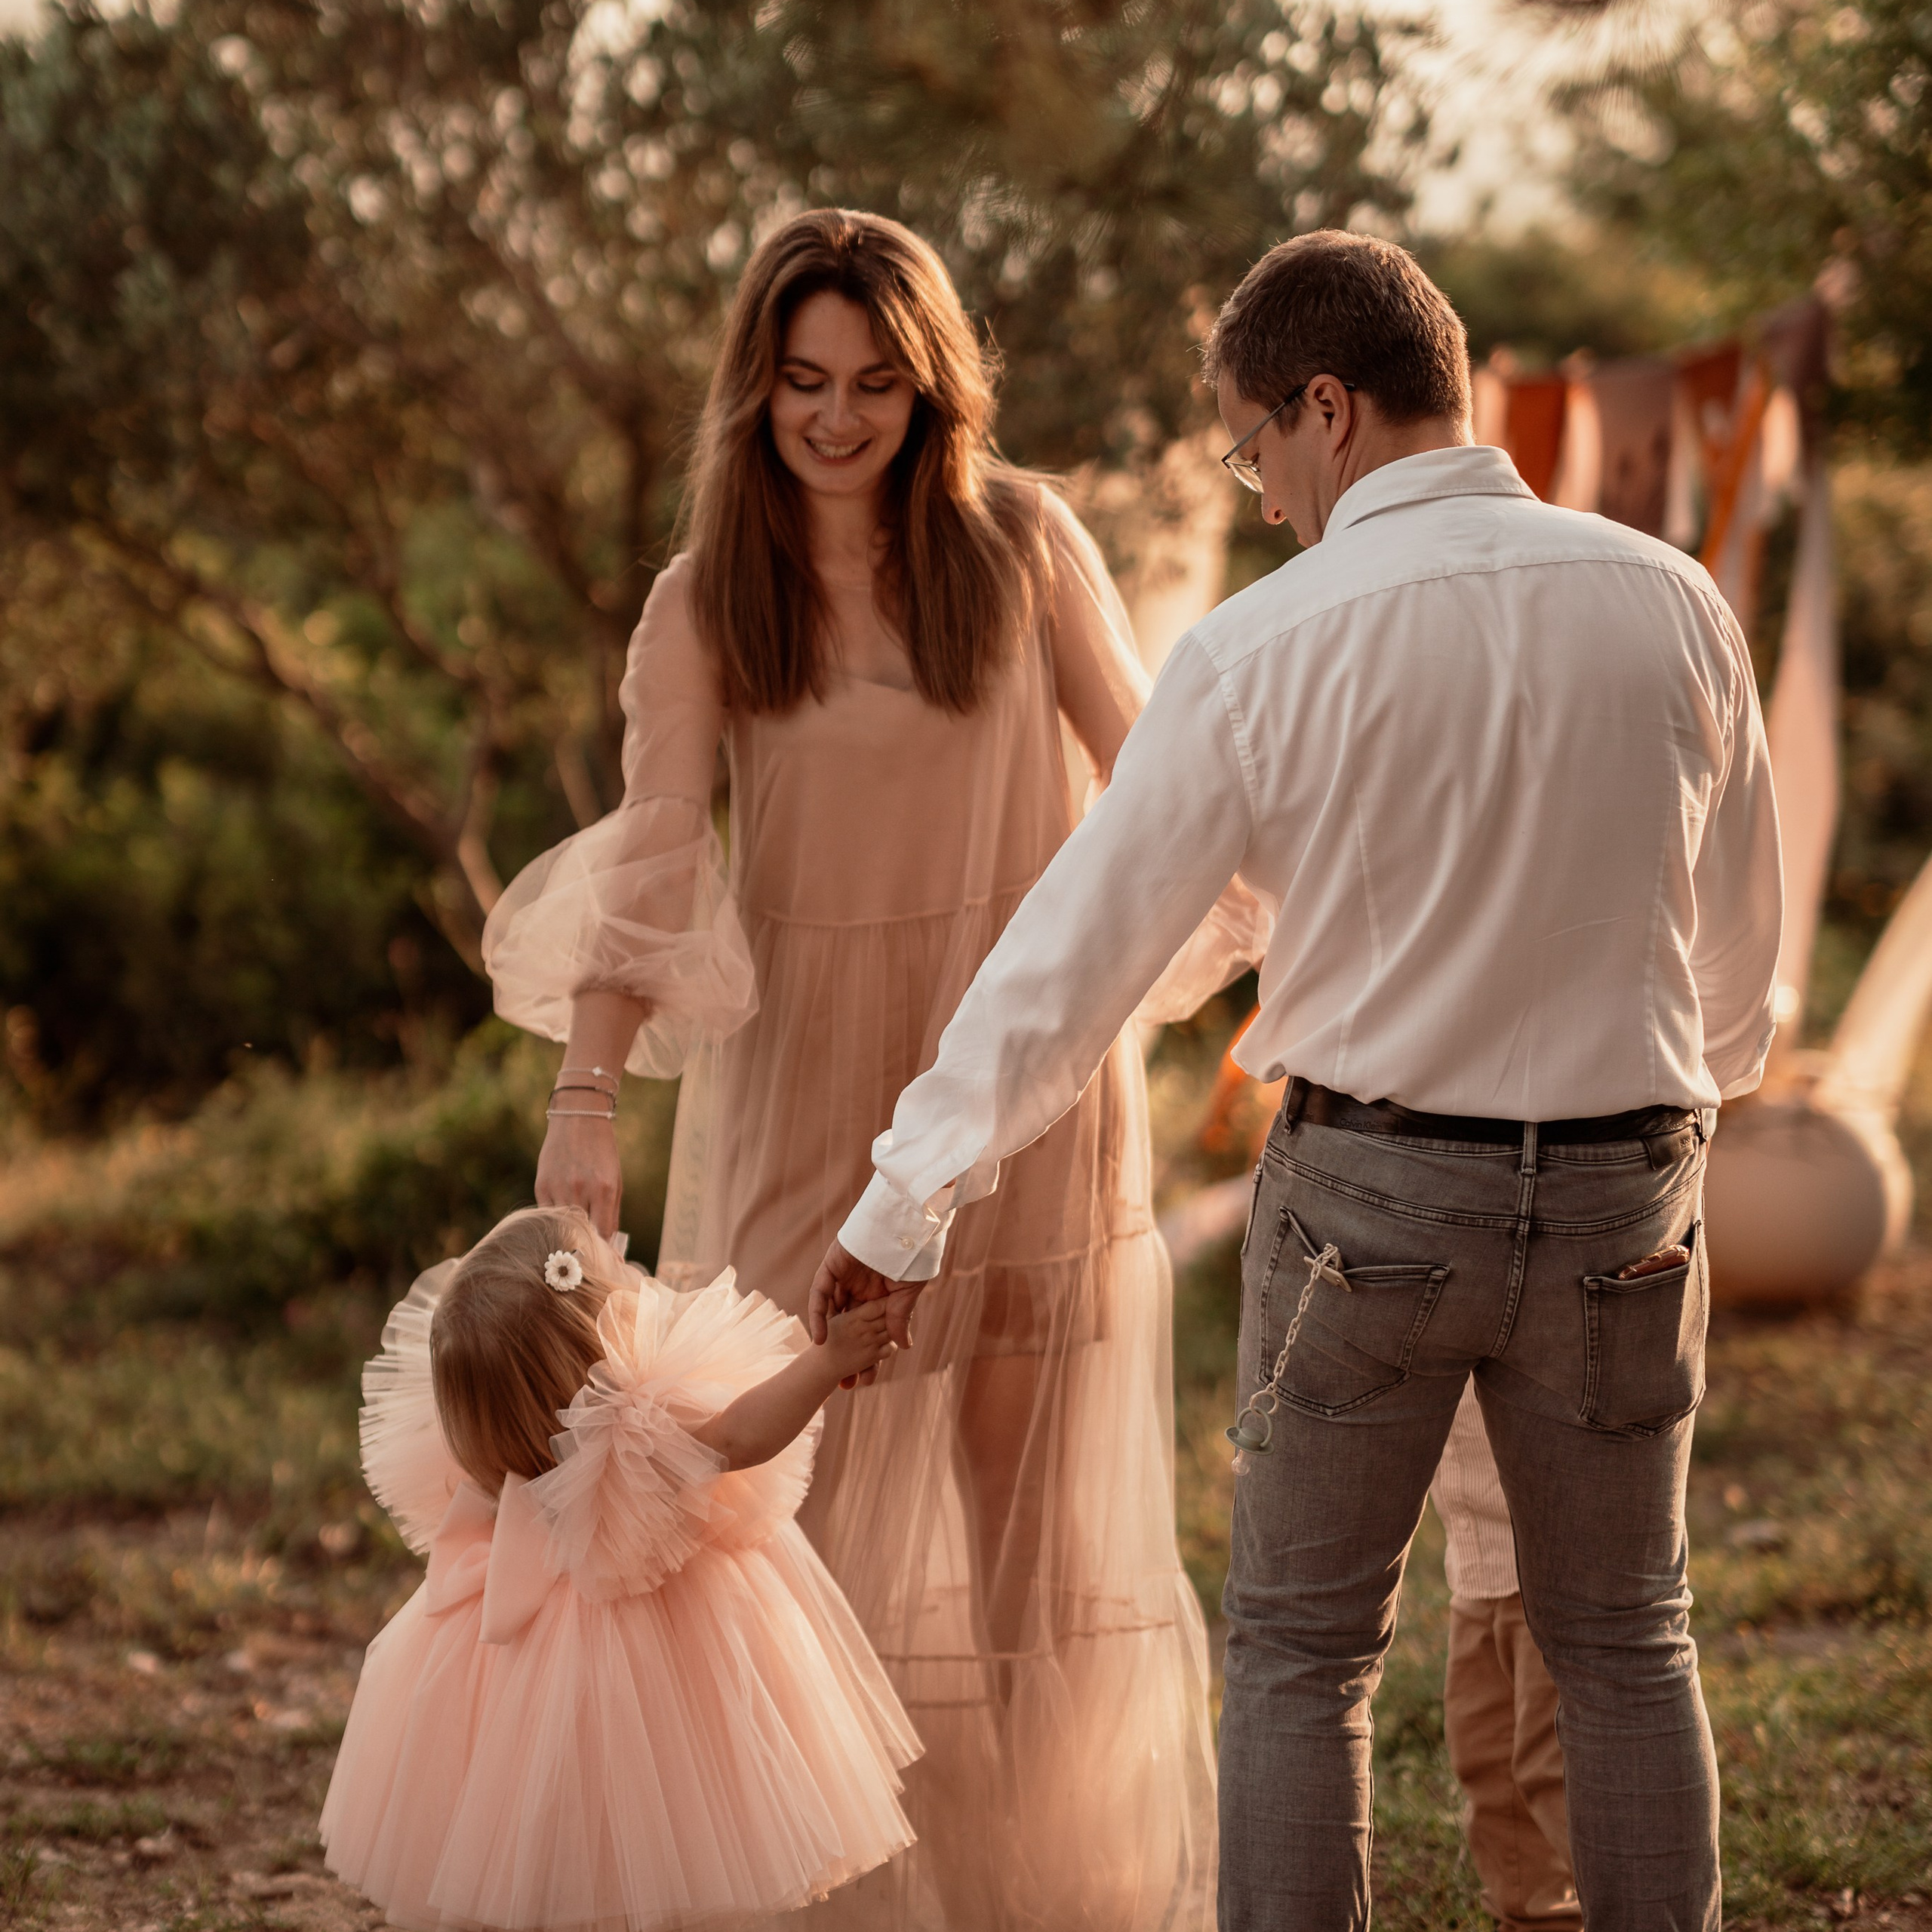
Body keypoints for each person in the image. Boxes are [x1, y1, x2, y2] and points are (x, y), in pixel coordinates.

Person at [810, 229, 1783, 1931]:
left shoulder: (1259, 648)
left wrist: (904, 1199)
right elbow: (1737, 963)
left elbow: (1076, 951)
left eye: (1250, 448)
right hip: (1629, 1200)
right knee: (1627, 1636)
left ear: (1322, 405)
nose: (1256, 495)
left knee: (1298, 1657)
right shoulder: (1671, 600)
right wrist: (1646, 1131)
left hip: (1366, 1209)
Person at [481, 208, 1250, 1929]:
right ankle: (827, 1893)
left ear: (931, 389)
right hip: (800, 1103)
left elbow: (1158, 791)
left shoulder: (1026, 542)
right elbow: (657, 863)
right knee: (788, 1511)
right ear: (753, 389)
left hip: (1029, 1092)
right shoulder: (703, 602)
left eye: (875, 386)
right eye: (800, 383)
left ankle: (1047, 1896)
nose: (834, 419)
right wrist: (584, 1094)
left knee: (1023, 1549)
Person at [318, 1204, 919, 1931]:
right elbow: (740, 1432)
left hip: (526, 1675)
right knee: (656, 1816)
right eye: (618, 1281)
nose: (636, 1278)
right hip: (656, 1669)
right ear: (598, 1337)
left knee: (547, 1809)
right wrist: (827, 1361)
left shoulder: (499, 1444)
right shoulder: (634, 1439)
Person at [1432, 1386, 1583, 1932]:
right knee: (1486, 1759)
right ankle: (1536, 1916)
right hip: (1476, 1560)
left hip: (1553, 1563)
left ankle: (1629, 1908)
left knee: (1557, 1768)